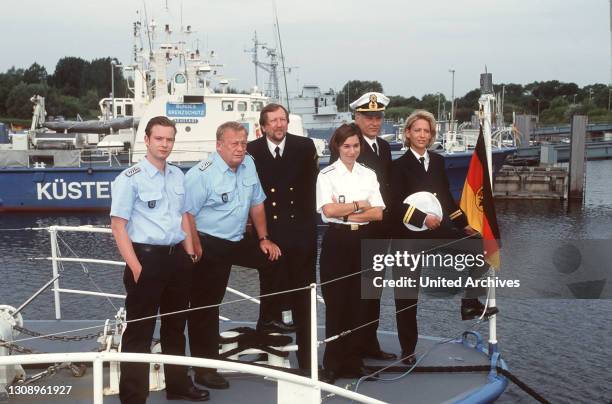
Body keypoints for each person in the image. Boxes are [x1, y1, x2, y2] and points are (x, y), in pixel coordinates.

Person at [110, 116, 209, 403]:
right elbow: (118, 227)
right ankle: (132, 397)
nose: (165, 144)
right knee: (139, 333)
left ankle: (177, 386)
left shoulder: (178, 176)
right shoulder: (130, 179)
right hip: (146, 259)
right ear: (147, 140)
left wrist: (189, 252)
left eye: (170, 139)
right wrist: (137, 267)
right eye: (159, 139)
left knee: (176, 327)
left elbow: (182, 217)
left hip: (177, 259)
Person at [390, 110, 498, 365]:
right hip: (408, 235)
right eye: (417, 130)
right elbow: (394, 206)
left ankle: (469, 301)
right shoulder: (397, 166)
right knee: (406, 296)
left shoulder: (438, 161)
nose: (422, 135)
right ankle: (408, 350)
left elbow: (447, 198)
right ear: (407, 133)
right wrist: (422, 218)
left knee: (481, 246)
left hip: (437, 232)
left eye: (427, 131)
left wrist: (463, 226)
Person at [185, 121, 282, 391]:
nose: (240, 149)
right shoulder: (201, 174)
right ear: (219, 145)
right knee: (206, 307)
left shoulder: (248, 164)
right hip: (208, 243)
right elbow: (186, 213)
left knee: (274, 259)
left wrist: (263, 238)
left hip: (237, 239)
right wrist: (193, 245)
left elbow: (257, 202)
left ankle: (267, 323)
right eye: (234, 144)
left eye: (243, 143)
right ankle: (204, 370)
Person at [246, 103, 319, 372]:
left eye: (283, 120)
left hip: (300, 234)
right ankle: (266, 353)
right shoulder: (252, 151)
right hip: (269, 235)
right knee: (270, 296)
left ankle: (308, 362)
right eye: (273, 121)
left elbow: (311, 188)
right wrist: (260, 235)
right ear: (263, 126)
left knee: (304, 299)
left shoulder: (304, 147)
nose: (279, 125)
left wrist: (307, 232)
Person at [316, 123, 385, 382]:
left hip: (363, 240)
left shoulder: (368, 174)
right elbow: (329, 211)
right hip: (337, 242)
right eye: (346, 146)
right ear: (337, 146)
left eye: (356, 145)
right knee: (336, 304)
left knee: (360, 304)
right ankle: (332, 363)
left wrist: (347, 209)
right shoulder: (327, 175)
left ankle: (353, 361)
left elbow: (378, 212)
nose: (352, 150)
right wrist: (358, 205)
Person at [331, 92, 396, 361]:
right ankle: (352, 350)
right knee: (354, 296)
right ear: (357, 118)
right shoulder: (353, 149)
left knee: (373, 293)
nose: (374, 122)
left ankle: (369, 343)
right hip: (359, 232)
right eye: (368, 117)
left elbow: (386, 190)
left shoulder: (384, 147)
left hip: (381, 230)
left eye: (378, 116)